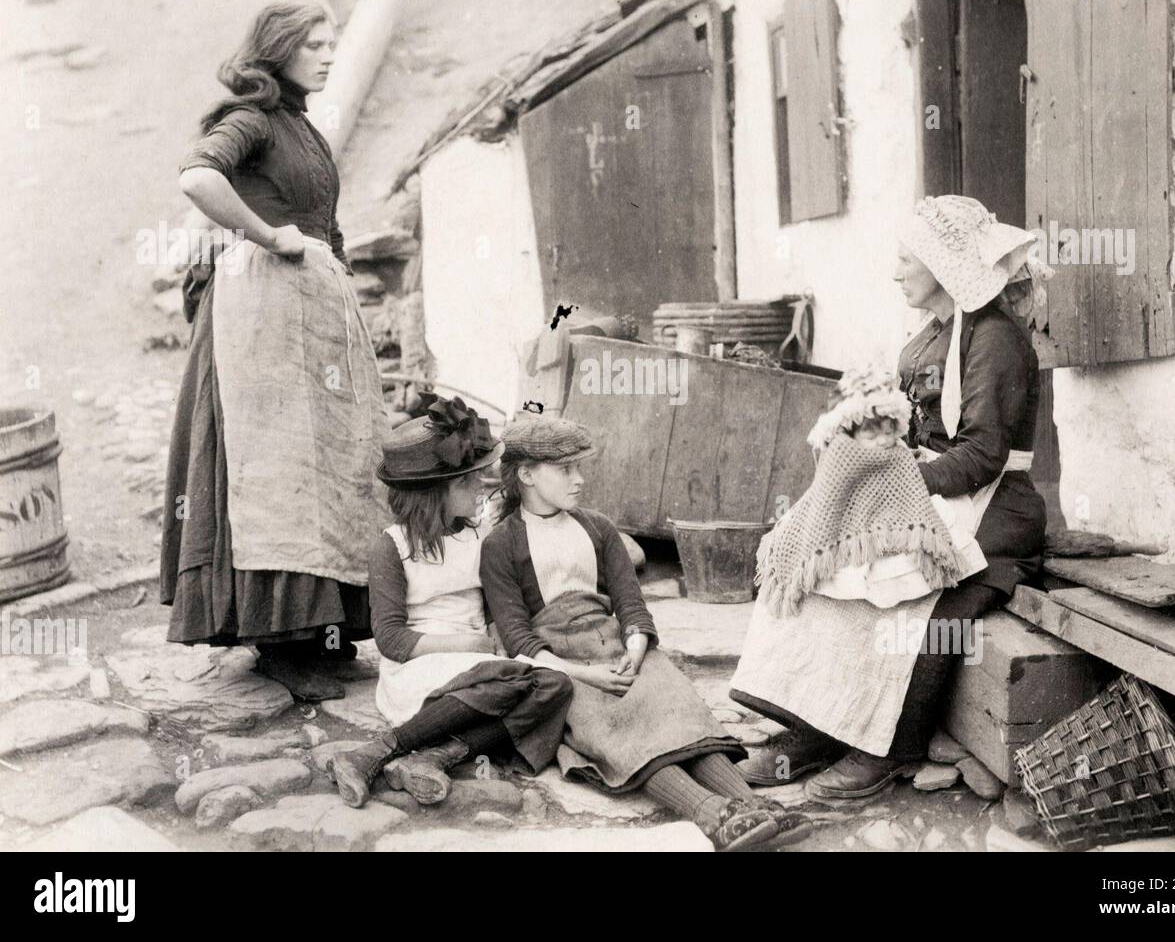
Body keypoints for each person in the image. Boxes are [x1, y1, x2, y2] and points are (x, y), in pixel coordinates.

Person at [732, 194, 1049, 801]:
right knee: (814, 547)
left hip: (994, 508)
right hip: (935, 489)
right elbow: (916, 432)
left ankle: (887, 748)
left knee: (893, 593)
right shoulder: (939, 332)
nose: (897, 271)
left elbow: (982, 455)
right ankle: (817, 726)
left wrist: (892, 484)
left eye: (908, 259)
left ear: (943, 265)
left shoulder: (995, 341)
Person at [160, 0, 389, 702]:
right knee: (275, 471)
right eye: (314, 44)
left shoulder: (302, 128)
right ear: (279, 50)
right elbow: (198, 178)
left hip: (312, 315)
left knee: (329, 466)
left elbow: (325, 222)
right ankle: (279, 645)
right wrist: (267, 234)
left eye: (331, 42)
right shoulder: (252, 120)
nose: (327, 53)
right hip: (258, 318)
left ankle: (327, 635)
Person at [480, 416, 813, 851]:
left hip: (616, 643)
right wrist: (586, 675)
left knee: (675, 707)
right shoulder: (500, 544)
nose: (579, 480)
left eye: (580, 468)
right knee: (619, 729)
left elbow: (630, 603)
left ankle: (753, 806)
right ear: (526, 475)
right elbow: (518, 637)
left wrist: (636, 647)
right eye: (566, 470)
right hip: (558, 667)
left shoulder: (597, 527)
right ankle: (712, 815)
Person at [327, 395, 574, 808]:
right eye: (468, 481)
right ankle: (376, 752)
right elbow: (390, 638)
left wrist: (497, 636)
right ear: (435, 493)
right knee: (509, 682)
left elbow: (496, 602)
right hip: (422, 664)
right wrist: (467, 646)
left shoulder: (478, 534)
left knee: (555, 685)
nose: (480, 487)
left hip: (481, 665)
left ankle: (432, 757)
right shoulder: (392, 546)